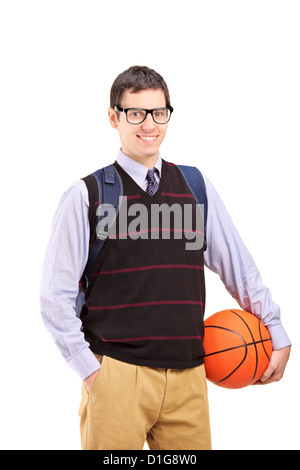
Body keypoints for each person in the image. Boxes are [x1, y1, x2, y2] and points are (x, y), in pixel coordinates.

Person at [40, 65, 291, 450]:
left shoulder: (194, 186)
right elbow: (54, 298)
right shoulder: (86, 195)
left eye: (159, 113)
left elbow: (239, 268)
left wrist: (275, 327)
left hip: (191, 375)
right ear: (114, 117)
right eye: (135, 113)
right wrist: (93, 375)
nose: (149, 125)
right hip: (117, 376)